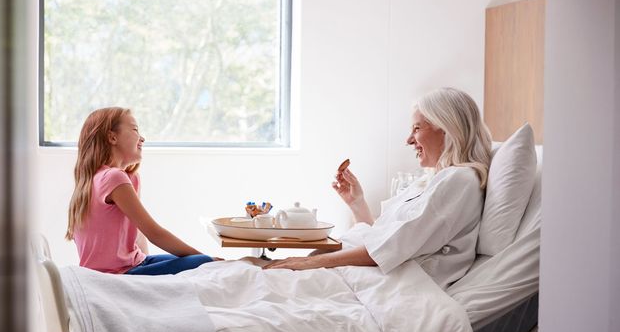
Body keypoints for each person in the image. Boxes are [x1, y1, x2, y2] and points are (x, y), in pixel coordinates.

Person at [263, 87, 492, 289]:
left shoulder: (459, 180)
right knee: (259, 273)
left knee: (267, 278)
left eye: (416, 128)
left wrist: (308, 262)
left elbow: (391, 250)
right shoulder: (432, 180)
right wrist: (357, 203)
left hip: (400, 285)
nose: (409, 140)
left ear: (446, 128)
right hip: (381, 274)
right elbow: (387, 241)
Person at [65, 107, 215, 275]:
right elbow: (154, 233)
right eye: (135, 129)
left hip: (137, 262)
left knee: (201, 261)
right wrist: (209, 261)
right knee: (204, 262)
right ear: (112, 137)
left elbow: (139, 233)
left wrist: (147, 279)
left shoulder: (116, 178)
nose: (142, 138)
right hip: (118, 272)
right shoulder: (113, 178)